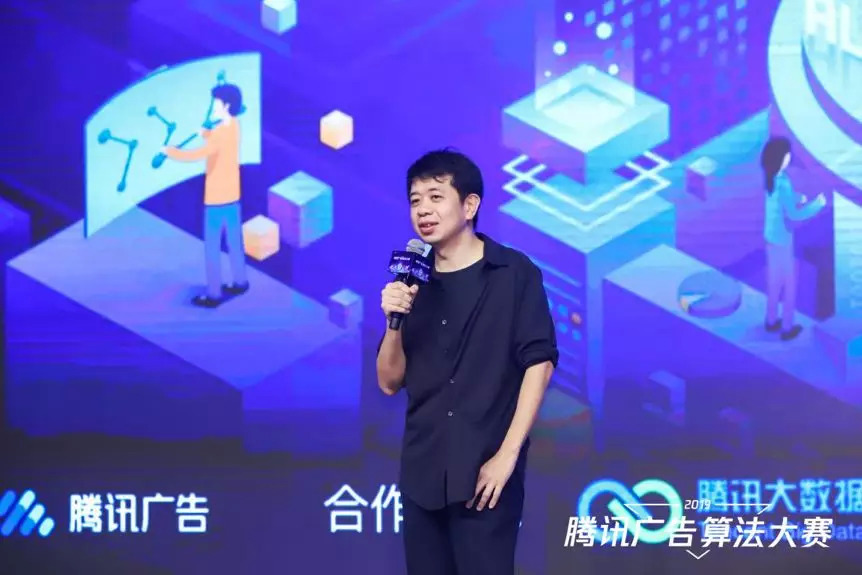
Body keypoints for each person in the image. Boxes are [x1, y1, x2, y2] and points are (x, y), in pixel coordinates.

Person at [376, 149, 558, 575]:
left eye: (436, 197)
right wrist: (393, 323)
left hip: (485, 476)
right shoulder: (411, 281)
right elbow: (388, 381)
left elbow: (540, 363)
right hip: (422, 475)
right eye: (415, 200)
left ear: (470, 205)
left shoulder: (513, 273)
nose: (423, 210)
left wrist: (507, 456)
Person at [163, 83, 249, 308]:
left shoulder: (220, 133)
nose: (214, 107)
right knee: (234, 242)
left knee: (212, 248)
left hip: (216, 199)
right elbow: (218, 144)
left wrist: (171, 152)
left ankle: (213, 294)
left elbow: (198, 154)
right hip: (233, 195)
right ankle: (240, 281)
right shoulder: (234, 126)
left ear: (226, 105)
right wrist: (207, 133)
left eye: (217, 103)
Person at [760, 136, 826, 341]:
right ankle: (787, 327)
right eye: (787, 154)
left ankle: (771, 320)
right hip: (782, 240)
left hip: (770, 237)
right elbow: (794, 215)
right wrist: (817, 204)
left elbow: (779, 203)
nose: (789, 157)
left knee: (774, 281)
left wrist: (797, 198)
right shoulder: (784, 183)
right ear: (781, 158)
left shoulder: (770, 178)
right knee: (789, 283)